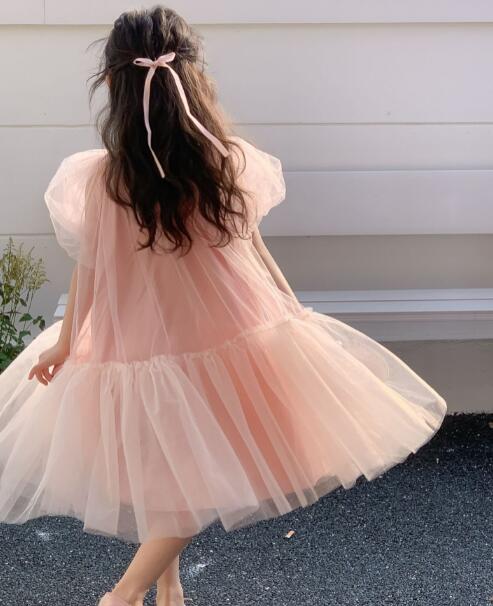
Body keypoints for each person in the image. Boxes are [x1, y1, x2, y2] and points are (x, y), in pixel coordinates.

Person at [0, 5, 447, 606]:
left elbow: (90, 270)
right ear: (196, 78)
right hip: (219, 333)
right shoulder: (221, 160)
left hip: (140, 337)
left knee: (175, 468)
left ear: (111, 85)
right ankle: (126, 593)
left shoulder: (102, 179)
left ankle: (162, 587)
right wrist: (290, 311)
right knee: (199, 475)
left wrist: (66, 339)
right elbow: (253, 248)